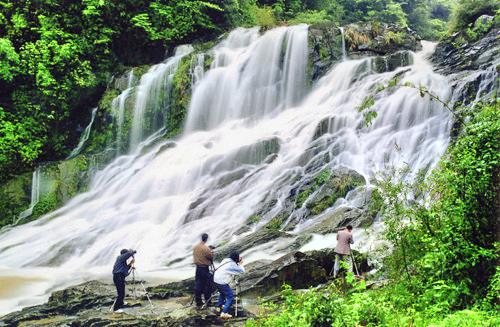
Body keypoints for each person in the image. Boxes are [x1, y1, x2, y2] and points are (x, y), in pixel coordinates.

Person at [213, 251, 245, 319]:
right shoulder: (231, 265)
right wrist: (241, 263)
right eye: (239, 257)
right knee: (230, 296)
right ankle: (224, 313)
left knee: (222, 293)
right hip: (221, 282)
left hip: (215, 279)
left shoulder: (226, 260)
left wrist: (237, 262)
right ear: (236, 258)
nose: (240, 258)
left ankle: (218, 307)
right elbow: (242, 271)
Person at [193, 233, 214, 308]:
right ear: (206, 239)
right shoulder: (206, 248)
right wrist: (211, 252)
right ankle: (208, 302)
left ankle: (198, 302)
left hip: (198, 268)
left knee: (198, 285)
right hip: (204, 268)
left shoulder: (195, 247)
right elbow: (210, 257)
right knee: (207, 285)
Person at [112, 248, 136, 313]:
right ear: (124, 254)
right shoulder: (119, 258)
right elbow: (129, 253)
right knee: (120, 294)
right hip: (118, 277)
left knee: (122, 292)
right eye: (126, 254)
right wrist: (133, 252)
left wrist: (131, 264)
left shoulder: (122, 261)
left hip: (120, 277)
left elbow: (125, 272)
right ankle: (115, 309)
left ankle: (121, 303)